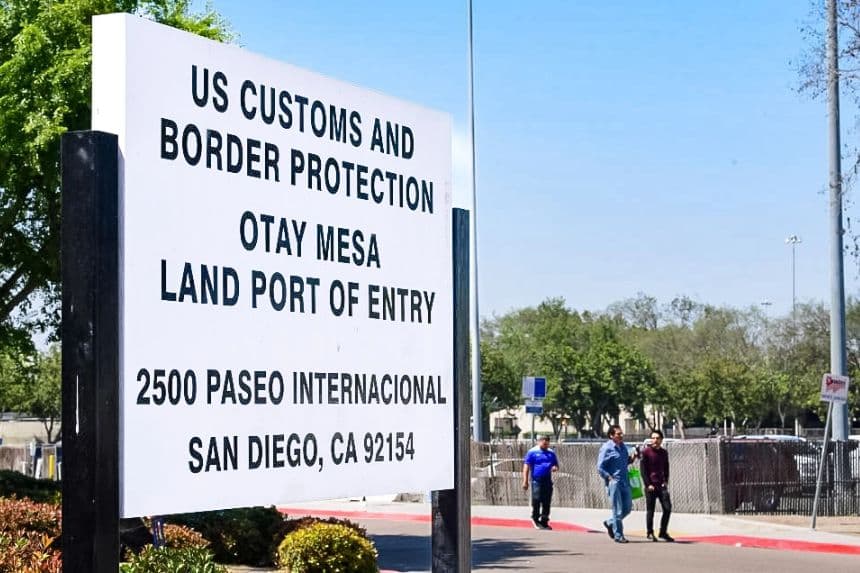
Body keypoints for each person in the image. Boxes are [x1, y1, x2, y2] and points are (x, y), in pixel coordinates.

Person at [597, 425, 638, 543]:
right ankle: (618, 535)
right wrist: (609, 477)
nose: (621, 436)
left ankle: (610, 522)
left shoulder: (623, 447)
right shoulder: (606, 448)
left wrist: (634, 457)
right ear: (611, 435)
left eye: (621, 434)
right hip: (614, 483)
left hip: (625, 481)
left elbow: (626, 462)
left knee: (627, 508)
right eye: (618, 434)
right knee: (618, 510)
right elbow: (600, 467)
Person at [640, 429, 674, 542]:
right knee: (651, 510)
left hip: (661, 485)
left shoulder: (664, 453)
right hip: (650, 486)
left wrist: (666, 480)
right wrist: (648, 484)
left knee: (667, 508)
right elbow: (643, 470)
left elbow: (666, 467)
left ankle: (663, 532)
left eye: (657, 438)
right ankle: (650, 532)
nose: (655, 440)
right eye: (653, 438)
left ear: (661, 440)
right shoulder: (646, 452)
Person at [522, 434, 559, 530]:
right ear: (539, 442)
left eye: (547, 443)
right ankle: (535, 518)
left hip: (547, 480)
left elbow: (555, 464)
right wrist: (525, 481)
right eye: (543, 443)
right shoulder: (533, 452)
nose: (545, 445)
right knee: (537, 499)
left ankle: (544, 520)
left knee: (547, 501)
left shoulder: (551, 453)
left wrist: (555, 467)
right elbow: (526, 466)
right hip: (536, 480)